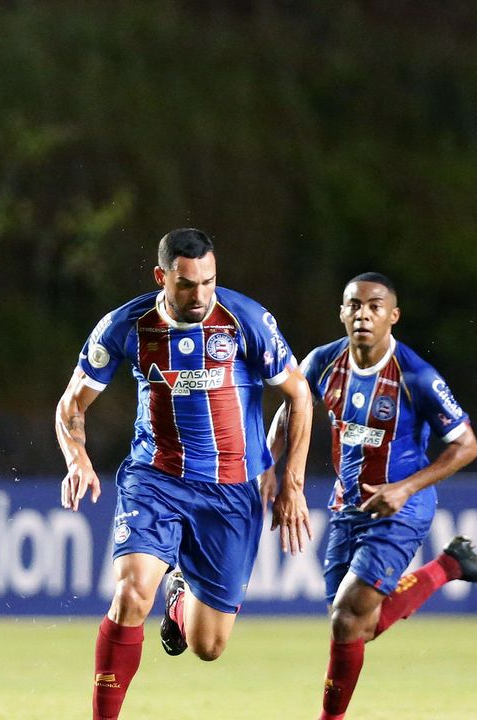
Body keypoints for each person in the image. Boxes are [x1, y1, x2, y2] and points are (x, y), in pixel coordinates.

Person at [54, 228, 314, 720]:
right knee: (131, 593)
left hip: (230, 489)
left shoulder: (246, 321)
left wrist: (291, 484)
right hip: (156, 479)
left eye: (208, 283)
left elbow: (298, 396)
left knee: (208, 646)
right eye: (187, 285)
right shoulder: (126, 325)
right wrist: (76, 456)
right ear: (162, 277)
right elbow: (71, 404)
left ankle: (179, 598)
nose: (200, 295)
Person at [263, 272, 477, 720]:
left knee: (346, 617)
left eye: (375, 307)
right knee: (357, 626)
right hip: (347, 507)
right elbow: (292, 409)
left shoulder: (416, 377)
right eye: (354, 305)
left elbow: (466, 445)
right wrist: (268, 466)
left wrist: (405, 488)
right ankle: (449, 565)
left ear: (393, 316)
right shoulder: (323, 362)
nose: (363, 315)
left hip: (402, 507)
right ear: (342, 312)